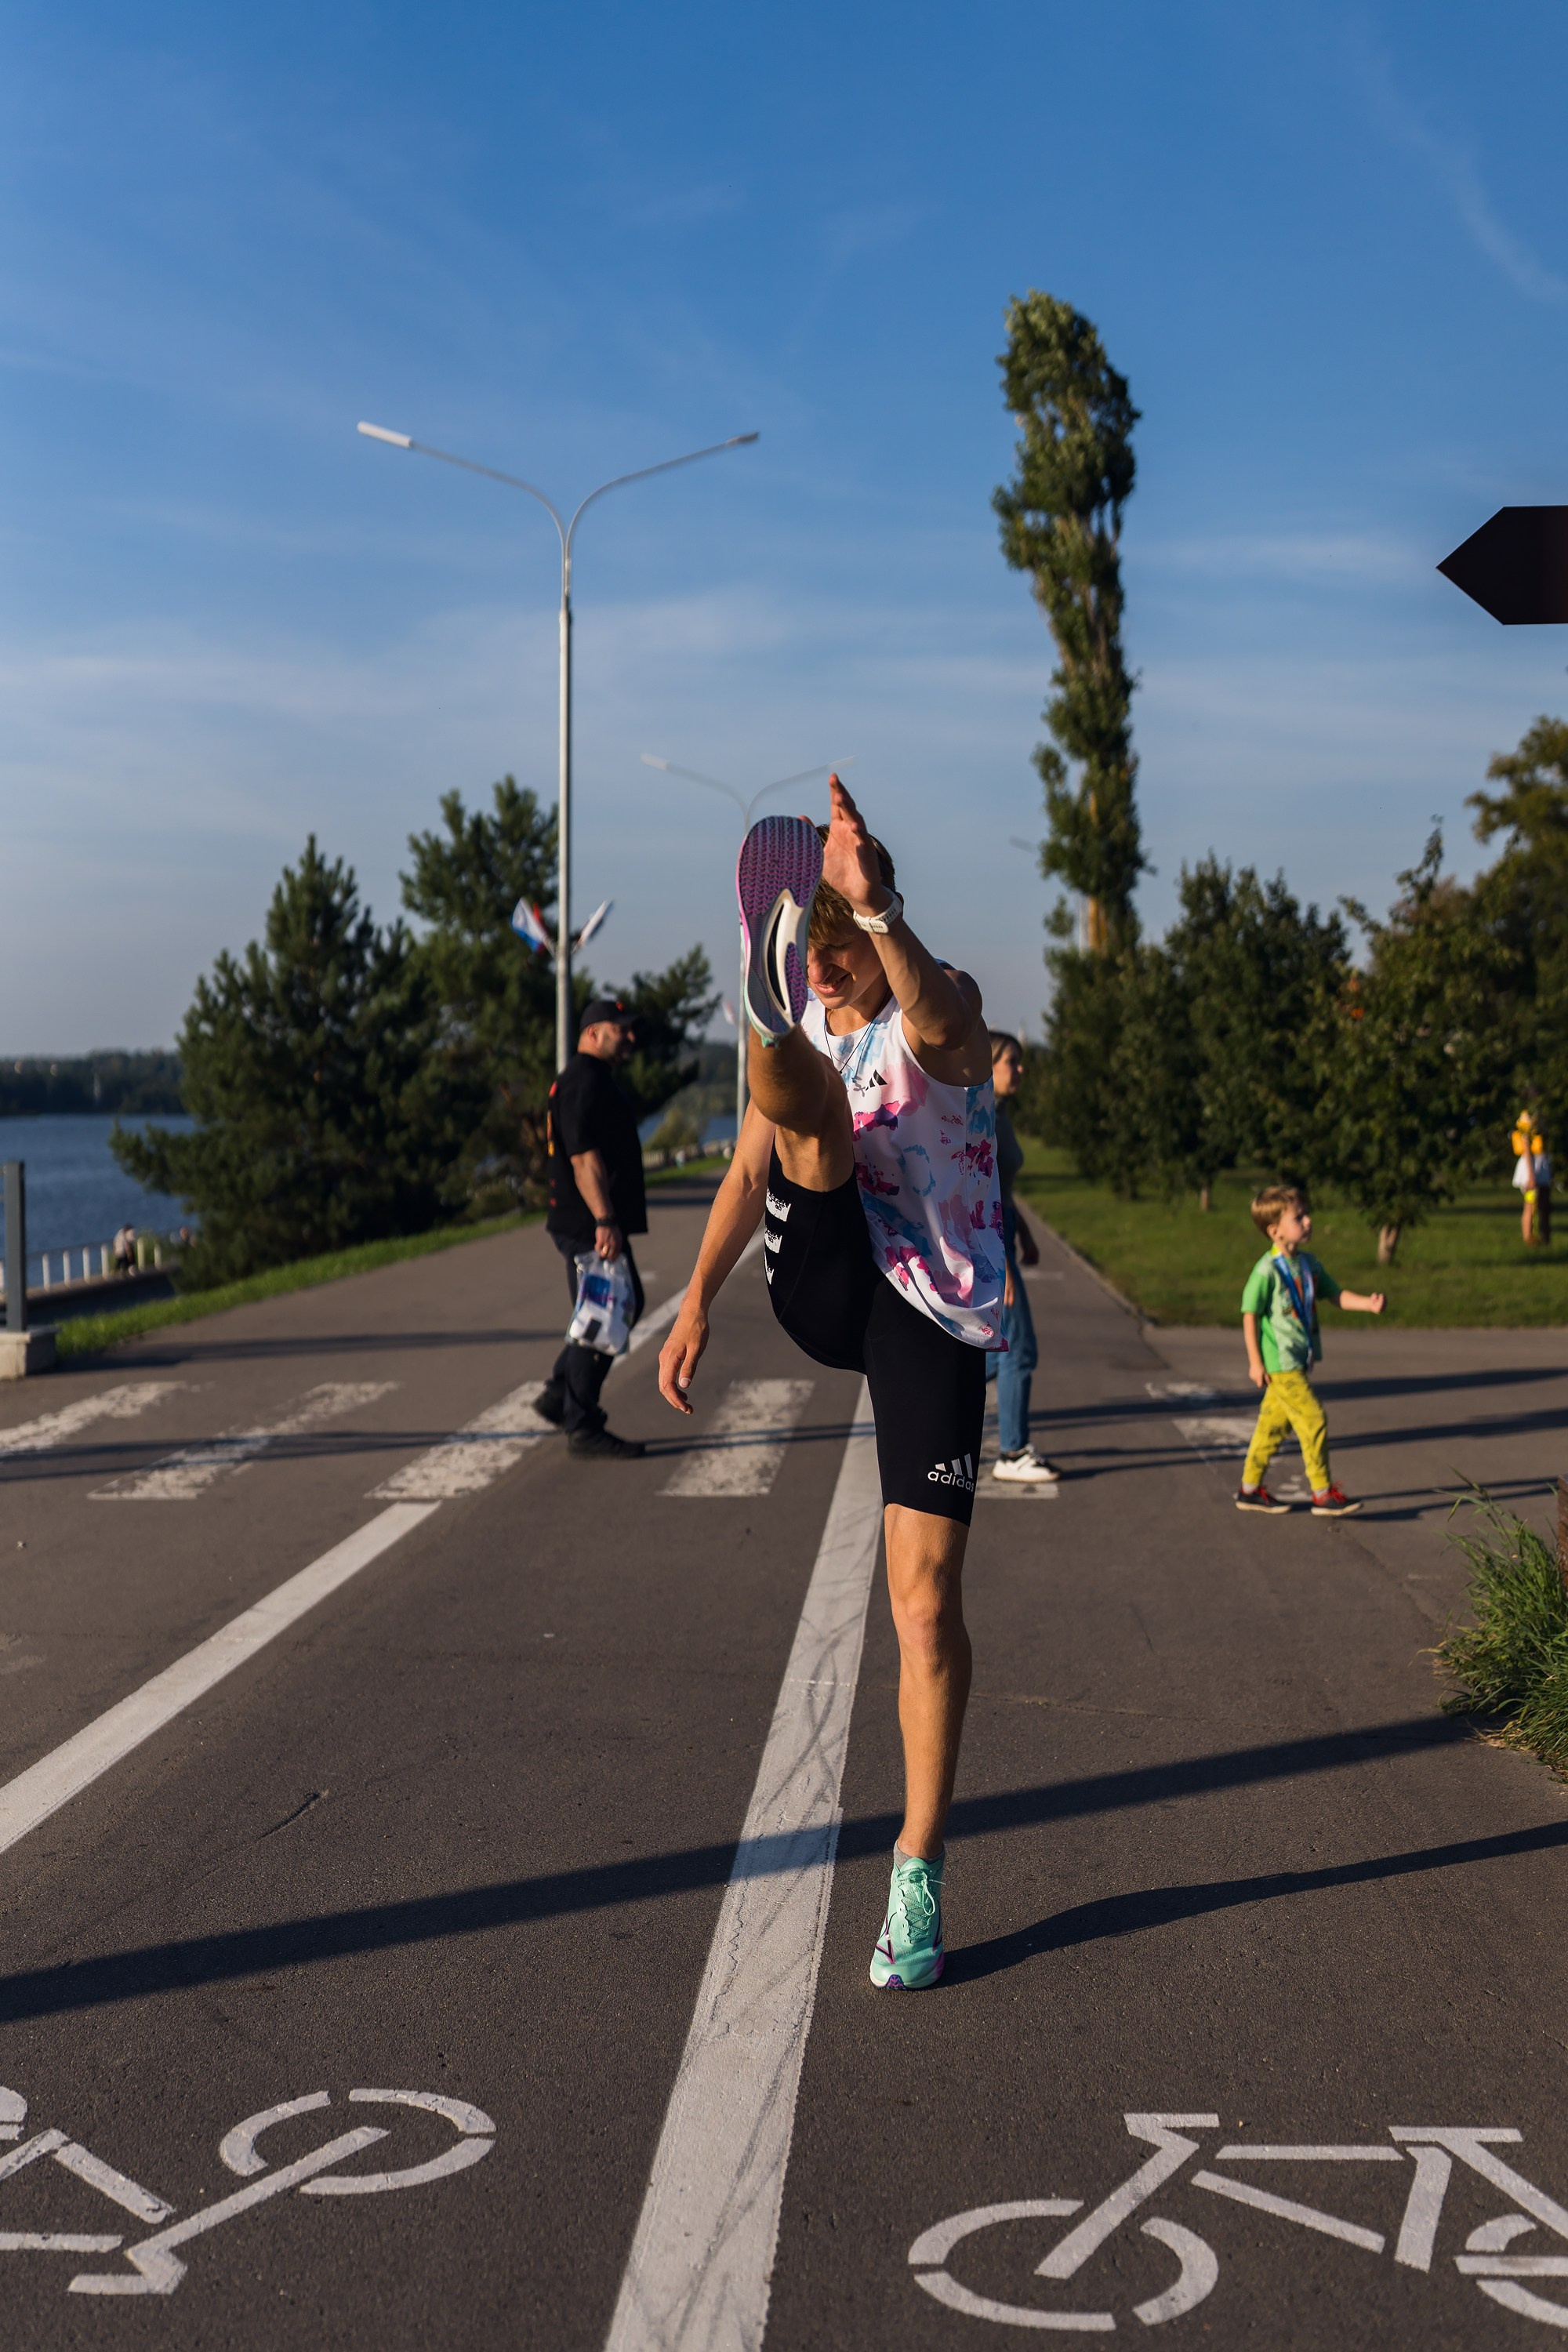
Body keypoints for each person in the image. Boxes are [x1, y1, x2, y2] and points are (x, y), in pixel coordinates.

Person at [658, 776, 1005, 1991]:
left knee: (923, 1605)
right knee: (804, 1125)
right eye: (803, 951)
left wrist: (882, 907)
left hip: (935, 1313)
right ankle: (750, 1026)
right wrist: (696, 1297)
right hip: (826, 1272)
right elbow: (742, 1176)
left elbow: (949, 1028)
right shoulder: (812, 1016)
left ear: (870, 925)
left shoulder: (935, 996)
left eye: (834, 946)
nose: (828, 967)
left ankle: (918, 1865)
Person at [535, 997, 648, 1461]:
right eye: (620, 1029)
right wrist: (604, 1219)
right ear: (593, 1033)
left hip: (591, 1221)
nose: (630, 1037)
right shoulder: (583, 1081)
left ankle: (559, 1394)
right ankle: (580, 1422)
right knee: (606, 1314)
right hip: (588, 1224)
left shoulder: (590, 1079)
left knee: (614, 1307)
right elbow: (583, 1158)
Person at [1236, 1183, 1384, 1517]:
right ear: (1275, 1231)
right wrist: (1255, 1362)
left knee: (1272, 1427)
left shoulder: (1309, 1265)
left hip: (1298, 1360)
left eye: (1306, 1214)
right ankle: (1322, 1492)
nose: (1308, 1221)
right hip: (1280, 1363)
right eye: (1298, 1217)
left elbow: (1336, 1295)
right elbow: (1249, 1315)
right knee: (1313, 1418)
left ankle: (1249, 1489)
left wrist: (1368, 1305)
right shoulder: (1266, 1271)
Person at [985, 1031, 1058, 1486]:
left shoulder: (1000, 1115)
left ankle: (937, 1404)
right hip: (991, 1241)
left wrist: (1026, 1235)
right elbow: (979, 1194)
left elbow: (1004, 1189)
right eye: (1012, 1061)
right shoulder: (980, 1118)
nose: (1020, 1070)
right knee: (1018, 1347)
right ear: (987, 1064)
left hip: (1006, 1233)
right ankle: (1011, 1452)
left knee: (995, 1353)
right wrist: (1004, 1263)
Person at [1512, 1110, 1553, 1248]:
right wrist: (1531, 1176)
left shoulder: (1539, 1128)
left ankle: (1544, 1239)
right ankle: (1528, 1237)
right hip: (1532, 1169)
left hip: (1541, 1168)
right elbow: (1528, 1153)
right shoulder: (1526, 1130)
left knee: (1543, 1205)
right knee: (1530, 1204)